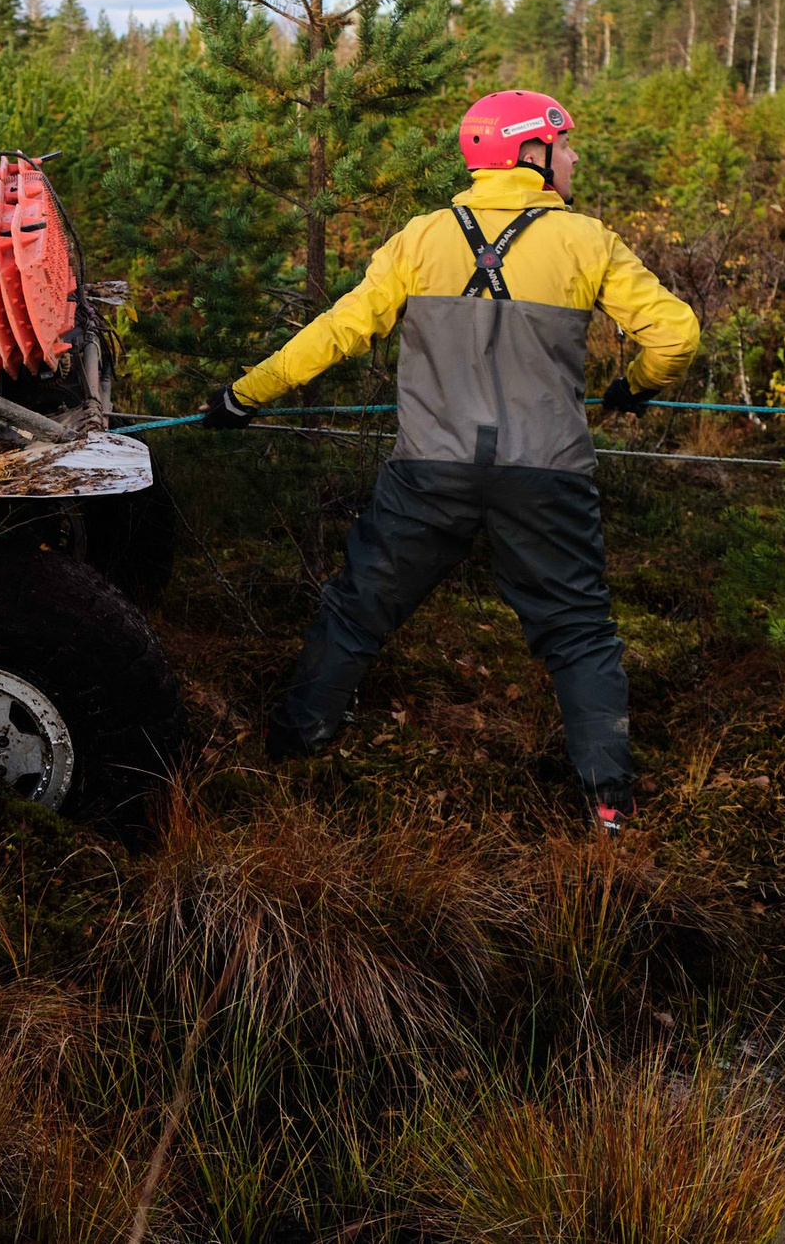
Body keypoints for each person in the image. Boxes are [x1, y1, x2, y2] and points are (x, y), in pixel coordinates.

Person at [201, 91, 699, 833]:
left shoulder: (422, 238)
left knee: (358, 607)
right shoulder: (587, 241)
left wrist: (246, 394)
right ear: (529, 153)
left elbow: (340, 331)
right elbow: (677, 335)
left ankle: (293, 744)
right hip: (549, 473)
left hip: (428, 472)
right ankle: (610, 806)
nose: (572, 158)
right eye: (564, 146)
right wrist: (635, 388)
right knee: (580, 632)